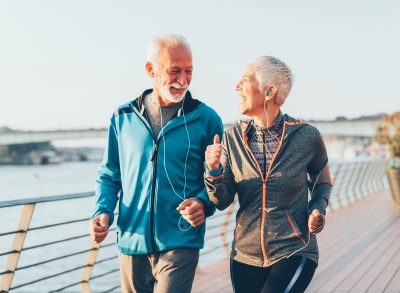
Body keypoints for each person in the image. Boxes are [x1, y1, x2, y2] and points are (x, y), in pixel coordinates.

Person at [89, 34, 223, 293]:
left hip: (181, 239)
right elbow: (109, 174)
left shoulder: (207, 119)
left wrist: (203, 203)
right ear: (151, 69)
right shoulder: (122, 117)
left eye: (189, 71)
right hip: (131, 239)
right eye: (174, 71)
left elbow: (221, 179)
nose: (182, 79)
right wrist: (101, 211)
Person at [204, 56, 332, 293]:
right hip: (244, 256)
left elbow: (322, 180)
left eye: (245, 80)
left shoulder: (307, 136)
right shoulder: (231, 139)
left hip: (295, 248)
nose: (236, 87)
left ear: (269, 91)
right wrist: (212, 171)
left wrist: (318, 208)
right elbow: (221, 200)